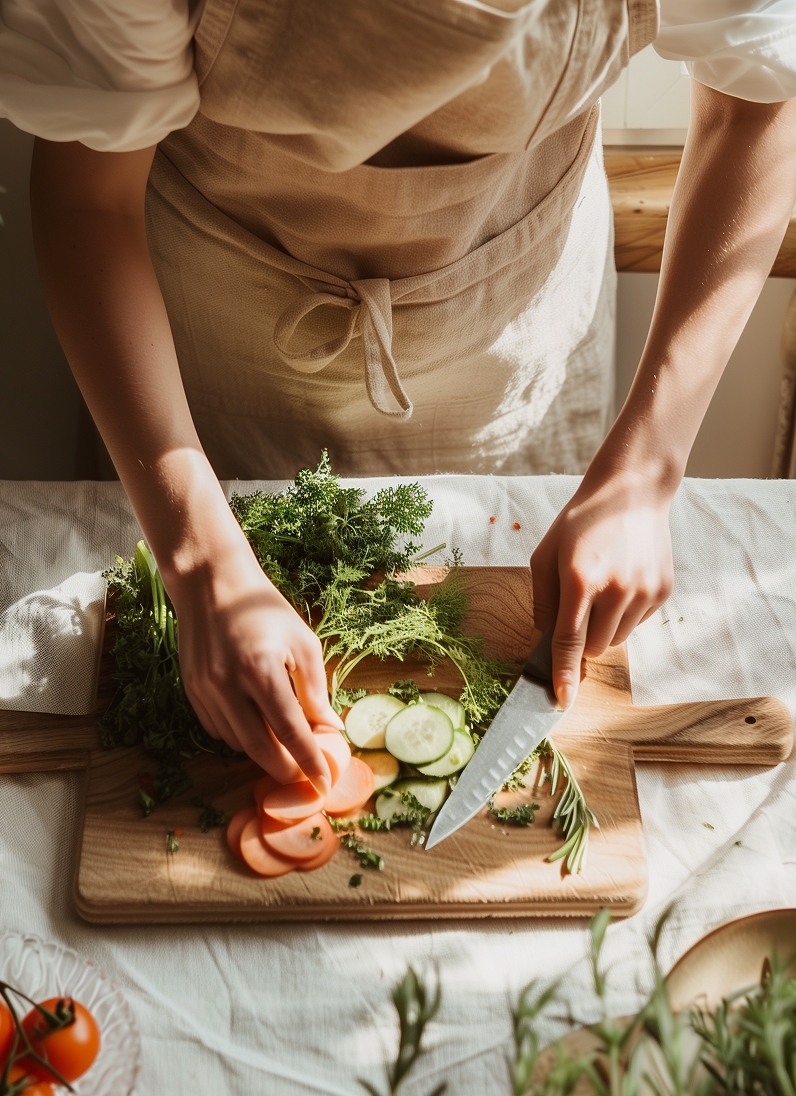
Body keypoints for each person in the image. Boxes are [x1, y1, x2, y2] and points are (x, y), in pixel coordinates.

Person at [2, 0, 796, 793]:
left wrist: (643, 472)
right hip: (207, 334)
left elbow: (756, 104)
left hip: (514, 321)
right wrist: (202, 560)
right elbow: (86, 196)